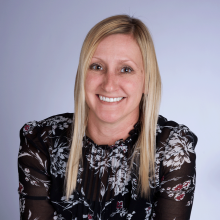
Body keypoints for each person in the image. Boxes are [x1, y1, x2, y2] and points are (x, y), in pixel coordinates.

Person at [18, 15, 197, 220]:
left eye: (126, 69)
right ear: (82, 75)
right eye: (97, 66)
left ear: (147, 81)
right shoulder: (42, 141)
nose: (109, 84)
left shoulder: (172, 150)